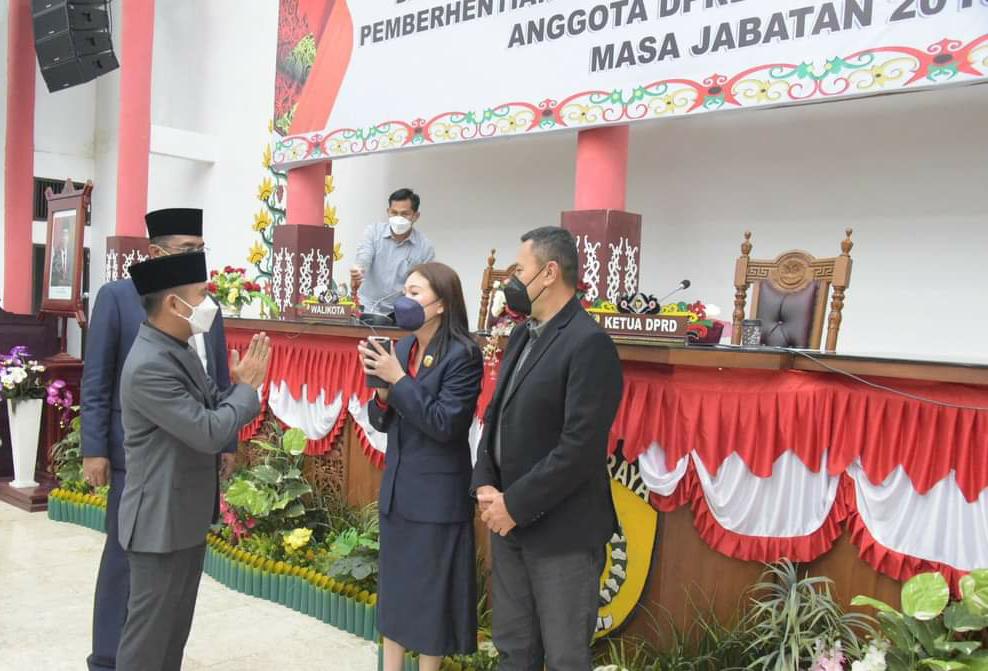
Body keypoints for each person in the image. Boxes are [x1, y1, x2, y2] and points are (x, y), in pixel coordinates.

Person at [80, 208, 236, 671]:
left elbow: (218, 376)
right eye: (186, 249)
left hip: (193, 451)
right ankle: (108, 657)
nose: (196, 256)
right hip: (136, 455)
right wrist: (94, 448)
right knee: (125, 562)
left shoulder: (205, 304)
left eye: (200, 248)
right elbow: (97, 378)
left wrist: (227, 444)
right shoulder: (117, 298)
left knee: (174, 573)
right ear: (154, 251)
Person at [471, 227, 624, 670]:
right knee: (514, 649)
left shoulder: (588, 343)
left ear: (550, 273)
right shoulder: (522, 335)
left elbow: (580, 449)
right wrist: (485, 482)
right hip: (509, 524)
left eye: (520, 270)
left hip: (562, 534)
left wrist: (514, 504)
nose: (513, 281)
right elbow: (495, 416)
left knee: (564, 657)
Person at [115, 252, 269, 671]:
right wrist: (246, 391)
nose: (208, 305)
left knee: (171, 636)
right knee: (147, 644)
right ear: (172, 304)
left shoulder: (175, 348)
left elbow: (210, 406)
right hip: (158, 523)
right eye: (201, 295)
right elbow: (208, 431)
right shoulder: (150, 364)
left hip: (182, 516)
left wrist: (236, 388)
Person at [358, 262, 483, 671]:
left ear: (441, 303)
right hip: (399, 491)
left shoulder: (463, 354)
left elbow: (445, 424)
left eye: (415, 293)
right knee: (395, 596)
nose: (405, 301)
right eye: (404, 292)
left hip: (437, 499)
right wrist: (381, 392)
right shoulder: (403, 348)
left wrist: (399, 381)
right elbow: (382, 420)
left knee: (431, 600)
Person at [350, 188, 435, 316]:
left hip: (402, 313)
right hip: (367, 308)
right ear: (388, 212)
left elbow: (425, 284)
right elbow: (363, 258)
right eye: (394, 213)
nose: (398, 218)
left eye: (405, 214)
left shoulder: (424, 246)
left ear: (416, 216)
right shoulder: (373, 232)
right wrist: (358, 270)